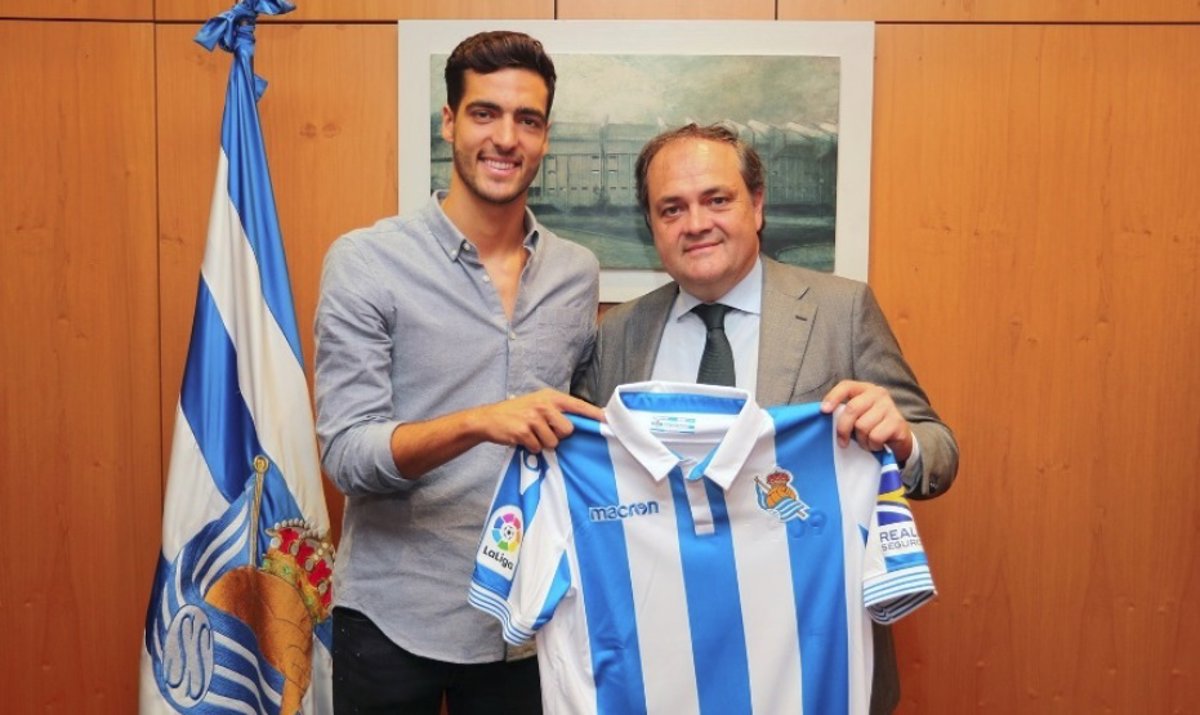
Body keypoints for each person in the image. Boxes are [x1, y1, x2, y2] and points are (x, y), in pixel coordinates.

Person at [573, 123, 958, 714]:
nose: (695, 223)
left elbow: (939, 451)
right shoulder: (620, 333)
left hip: (812, 663)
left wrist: (904, 441)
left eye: (716, 199)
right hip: (669, 667)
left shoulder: (840, 310)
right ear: (651, 225)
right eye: (671, 208)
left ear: (756, 205)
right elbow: (592, 485)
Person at [314, 30, 601, 714]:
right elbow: (347, 454)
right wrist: (479, 422)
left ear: (545, 136)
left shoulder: (577, 272)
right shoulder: (366, 261)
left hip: (526, 622)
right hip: (391, 618)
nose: (505, 138)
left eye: (527, 119)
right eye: (484, 113)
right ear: (449, 122)